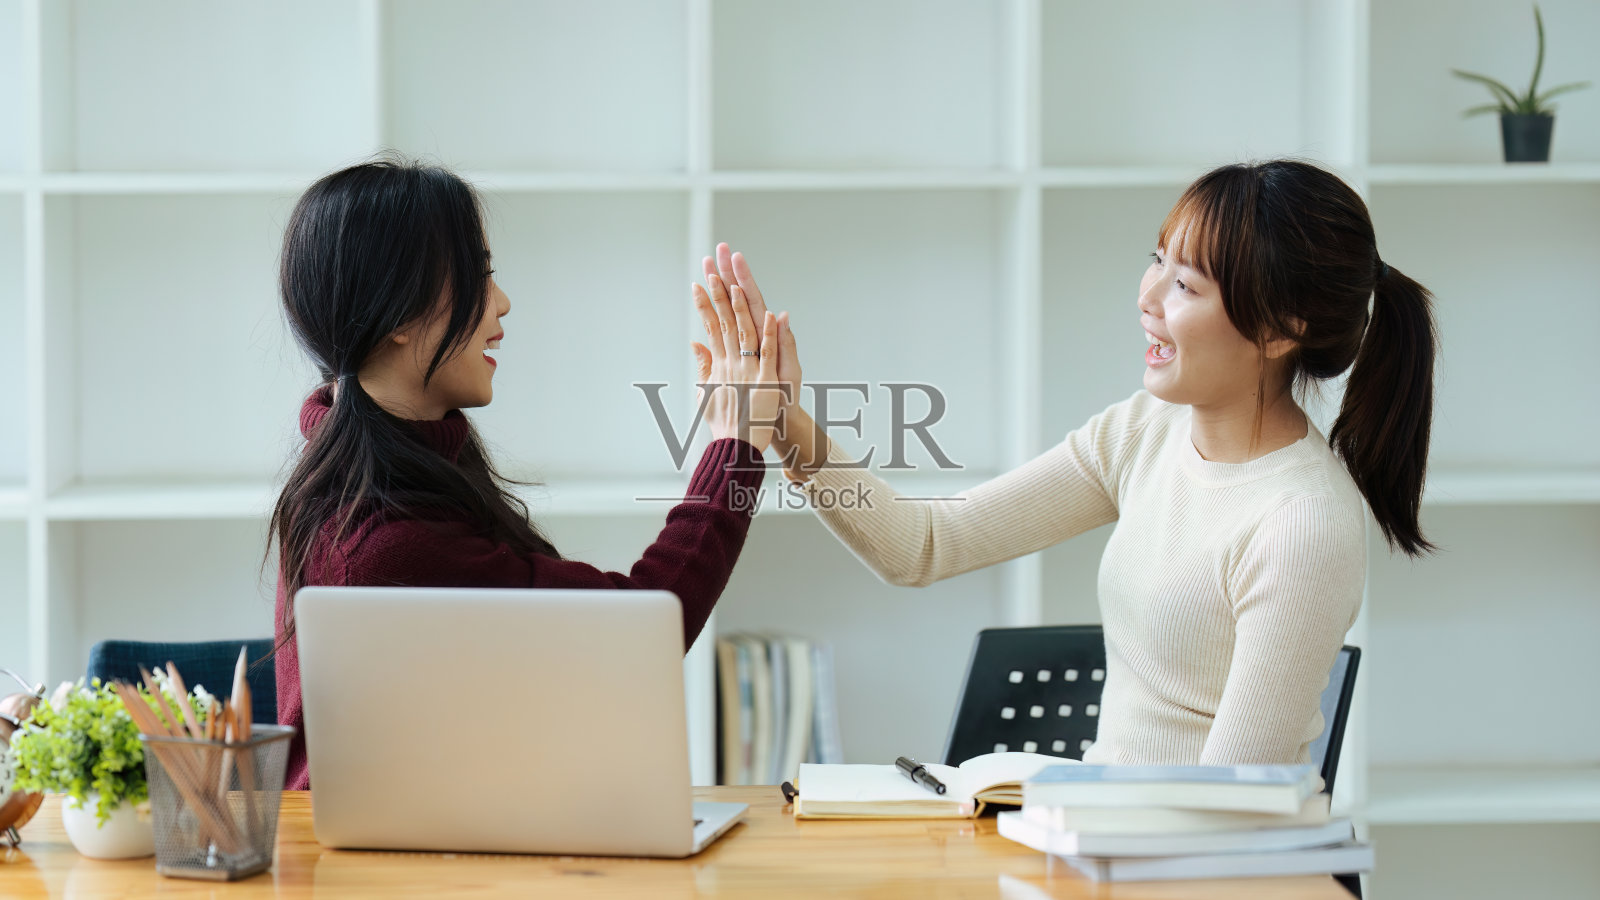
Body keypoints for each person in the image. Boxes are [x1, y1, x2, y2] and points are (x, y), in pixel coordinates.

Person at [718, 158, 1438, 768]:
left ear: (1283, 329)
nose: (1148, 297)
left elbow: (1230, 810)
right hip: (1105, 842)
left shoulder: (1301, 522)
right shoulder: (1146, 431)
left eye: (1186, 285)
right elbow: (923, 546)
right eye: (1158, 261)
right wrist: (783, 420)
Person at [269, 158, 782, 790]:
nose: (503, 306)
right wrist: (735, 448)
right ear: (399, 315)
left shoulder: (360, 469)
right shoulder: (390, 538)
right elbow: (642, 630)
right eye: (479, 276)